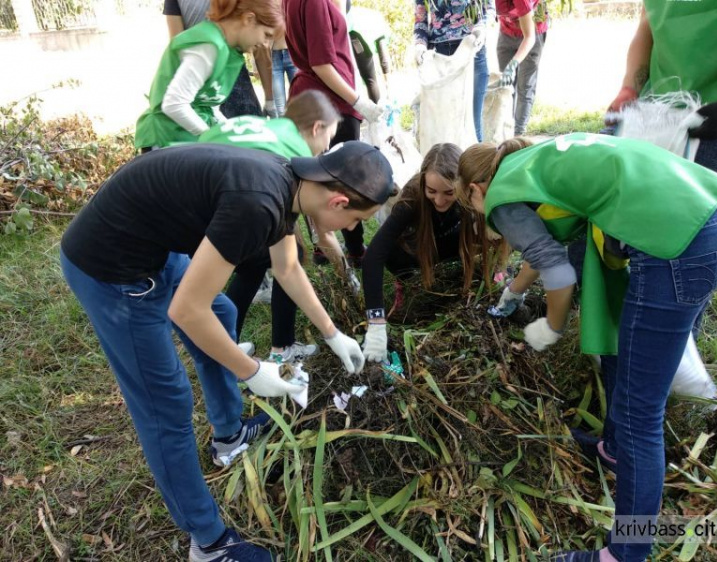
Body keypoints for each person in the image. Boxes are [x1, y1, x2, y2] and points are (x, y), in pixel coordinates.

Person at [60, 141, 394, 561]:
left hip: (152, 246)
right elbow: (186, 311)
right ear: (339, 200)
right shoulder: (257, 203)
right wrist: (253, 370)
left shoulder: (289, 181)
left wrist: (332, 333)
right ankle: (210, 544)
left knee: (222, 309)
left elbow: (287, 267)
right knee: (167, 406)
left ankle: (229, 434)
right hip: (111, 269)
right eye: (354, 221)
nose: (349, 230)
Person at [456, 133, 717, 562]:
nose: (483, 215)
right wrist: (512, 295)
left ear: (477, 190)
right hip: (715, 219)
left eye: (470, 206)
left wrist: (550, 327)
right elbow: (543, 251)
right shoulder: (536, 161)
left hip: (677, 248)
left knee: (638, 412)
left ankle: (626, 552)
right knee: (615, 347)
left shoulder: (500, 197)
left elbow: (558, 274)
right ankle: (612, 449)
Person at [198, 90, 359, 362]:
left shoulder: (269, 126)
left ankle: (227, 340)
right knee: (290, 253)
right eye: (327, 139)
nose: (324, 149)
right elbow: (319, 237)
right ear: (316, 128)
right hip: (220, 201)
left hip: (203, 191)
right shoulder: (293, 152)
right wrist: (348, 277)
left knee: (254, 263)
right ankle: (280, 347)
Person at [361, 143, 496, 362]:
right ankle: (404, 284)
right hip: (414, 252)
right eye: (431, 191)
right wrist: (376, 322)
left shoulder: (471, 195)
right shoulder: (412, 198)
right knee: (399, 257)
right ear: (423, 182)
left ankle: (456, 278)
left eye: (449, 192)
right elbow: (374, 255)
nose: (440, 201)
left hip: (449, 245)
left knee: (455, 274)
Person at [284, 0, 384, 267]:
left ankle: (325, 243)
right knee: (347, 179)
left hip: (314, 94)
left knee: (314, 174)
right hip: (330, 100)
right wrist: (358, 101)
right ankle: (351, 249)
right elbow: (321, 63)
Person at [607, 2, 717, 179]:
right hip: (654, 108)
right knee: (634, 192)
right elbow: (647, 24)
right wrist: (630, 88)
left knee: (698, 203)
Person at [135, 0, 282, 151]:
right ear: (248, 19)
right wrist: (211, 138)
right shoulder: (208, 45)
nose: (265, 43)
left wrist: (230, 135)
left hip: (184, 138)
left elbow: (210, 107)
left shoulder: (229, 51)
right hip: (166, 139)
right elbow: (174, 103)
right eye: (266, 35)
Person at [162, 0, 275, 119]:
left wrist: (269, 99)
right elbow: (178, 45)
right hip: (204, 73)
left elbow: (177, 43)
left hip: (225, 71)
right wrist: (270, 100)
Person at [414, 0, 492, 142]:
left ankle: (475, 162)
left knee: (472, 124)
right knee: (443, 125)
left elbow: (489, 7)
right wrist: (420, 44)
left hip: (472, 49)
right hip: (440, 56)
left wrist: (481, 28)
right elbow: (420, 18)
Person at [494, 0, 549, 137]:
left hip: (532, 33)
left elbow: (529, 38)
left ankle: (518, 135)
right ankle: (505, 131)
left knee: (525, 86)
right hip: (507, 32)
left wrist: (512, 66)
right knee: (505, 86)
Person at [347, 5, 392, 104]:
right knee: (371, 80)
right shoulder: (380, 27)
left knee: (364, 78)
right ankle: (376, 112)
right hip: (355, 33)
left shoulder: (372, 17)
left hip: (349, 29)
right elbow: (384, 59)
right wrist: (388, 87)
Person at [270, 36, 298, 117]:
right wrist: (255, 65)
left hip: (292, 52)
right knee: (279, 106)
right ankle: (283, 128)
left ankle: (298, 128)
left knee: (298, 99)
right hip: (273, 55)